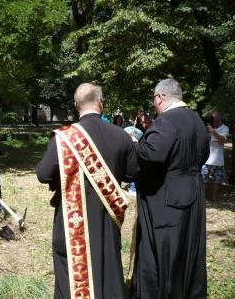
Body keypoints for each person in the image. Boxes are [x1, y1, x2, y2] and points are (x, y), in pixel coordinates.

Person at [36, 82, 138, 299]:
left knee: (71, 272)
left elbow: (43, 174)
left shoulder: (64, 138)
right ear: (101, 103)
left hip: (72, 218)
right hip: (108, 216)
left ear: (75, 105)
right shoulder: (121, 136)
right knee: (108, 266)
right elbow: (132, 173)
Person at [130, 79, 210, 299]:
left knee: (165, 256)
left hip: (166, 199)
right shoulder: (197, 121)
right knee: (188, 254)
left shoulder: (166, 121)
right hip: (193, 193)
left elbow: (152, 155)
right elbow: (202, 157)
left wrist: (135, 146)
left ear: (160, 98)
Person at [201, 111, 229, 201]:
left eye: (216, 118)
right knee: (202, 179)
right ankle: (201, 198)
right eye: (213, 118)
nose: (214, 120)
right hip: (205, 159)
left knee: (217, 180)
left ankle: (215, 197)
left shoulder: (225, 128)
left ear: (220, 118)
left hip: (218, 160)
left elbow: (222, 140)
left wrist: (213, 132)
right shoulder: (206, 128)